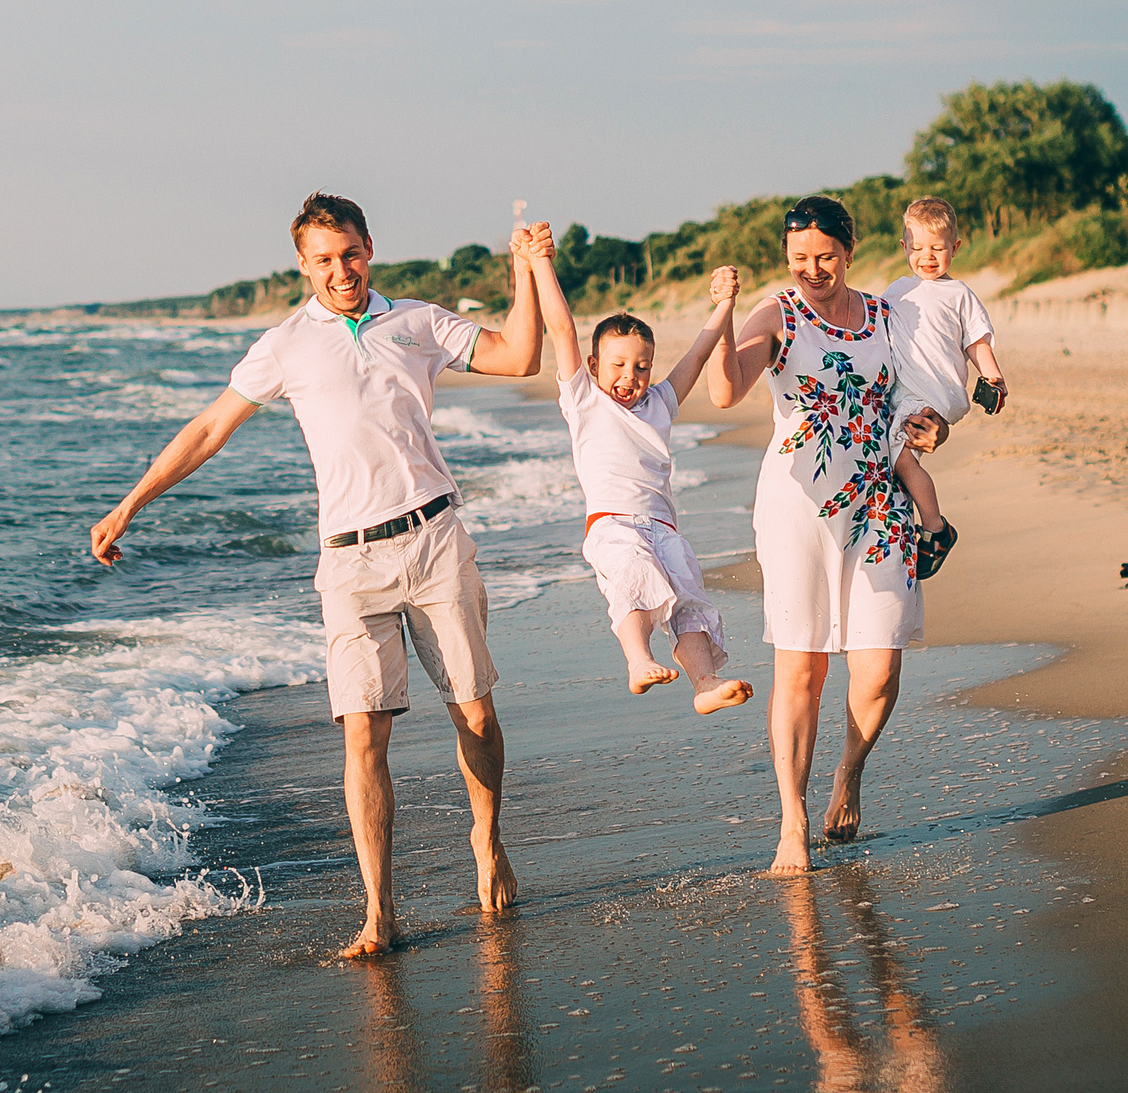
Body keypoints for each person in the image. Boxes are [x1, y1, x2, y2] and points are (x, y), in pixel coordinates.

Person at [88, 191, 545, 958]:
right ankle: (379, 911)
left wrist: (526, 270)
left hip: (435, 541)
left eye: (351, 254)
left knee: (474, 714)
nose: (341, 271)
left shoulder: (418, 323)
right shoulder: (285, 346)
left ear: (370, 249)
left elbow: (520, 356)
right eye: (324, 260)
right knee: (363, 734)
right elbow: (209, 428)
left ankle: (487, 839)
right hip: (349, 562)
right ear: (302, 265)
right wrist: (130, 503)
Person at [705, 194, 949, 874]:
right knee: (803, 669)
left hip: (879, 505)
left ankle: (849, 769)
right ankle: (793, 819)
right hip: (799, 511)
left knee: (880, 667)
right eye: (799, 258)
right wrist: (723, 315)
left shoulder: (886, 315)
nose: (812, 269)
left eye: (826, 257)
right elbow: (725, 391)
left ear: (849, 250)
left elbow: (922, 394)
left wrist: (934, 424)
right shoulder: (778, 313)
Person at [519, 227, 755, 713]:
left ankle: (705, 682)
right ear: (593, 365)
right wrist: (541, 262)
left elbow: (698, 352)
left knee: (687, 599)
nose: (630, 376)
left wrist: (726, 303)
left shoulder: (660, 402)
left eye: (642, 367)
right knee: (635, 575)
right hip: (612, 524)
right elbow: (561, 328)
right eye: (619, 365)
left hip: (664, 527)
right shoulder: (584, 400)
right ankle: (637, 661)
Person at [881, 195, 1007, 428]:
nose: (927, 256)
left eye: (937, 248)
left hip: (942, 391)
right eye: (916, 248)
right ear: (904, 247)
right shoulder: (896, 291)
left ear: (954, 248)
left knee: (907, 446)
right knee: (899, 442)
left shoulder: (959, 294)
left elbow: (976, 341)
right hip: (905, 390)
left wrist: (993, 376)